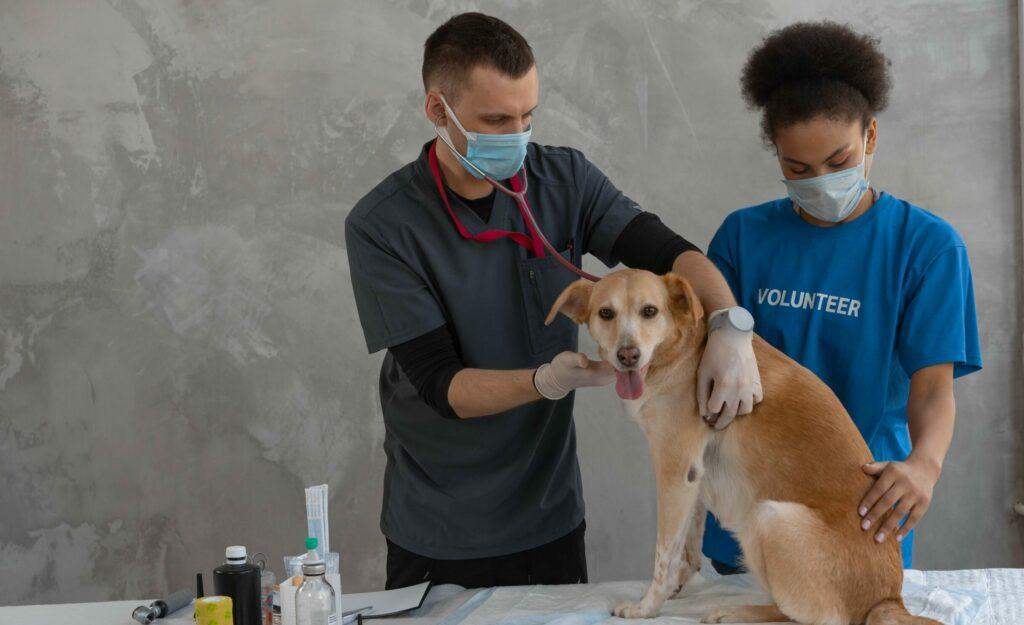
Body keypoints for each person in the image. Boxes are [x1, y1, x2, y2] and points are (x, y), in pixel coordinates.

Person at [345, 12, 762, 589]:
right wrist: (548, 381)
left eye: (527, 116)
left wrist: (730, 327)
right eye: (496, 120)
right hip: (441, 521)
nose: (517, 136)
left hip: (548, 513)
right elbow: (442, 385)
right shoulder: (383, 225)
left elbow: (672, 252)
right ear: (438, 111)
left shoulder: (563, 179)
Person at [703, 21, 982, 573]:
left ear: (871, 137)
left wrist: (924, 466)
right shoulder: (741, 237)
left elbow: (932, 390)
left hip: (860, 512)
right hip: (749, 506)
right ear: (777, 154)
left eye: (838, 162)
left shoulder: (926, 248)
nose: (820, 181)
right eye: (797, 169)